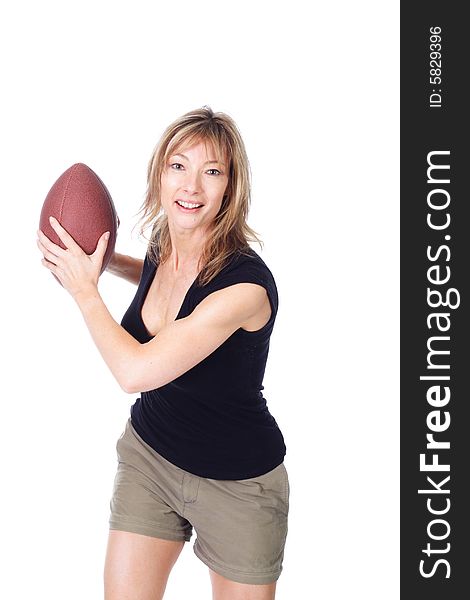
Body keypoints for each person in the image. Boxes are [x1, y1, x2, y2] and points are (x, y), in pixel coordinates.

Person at [37, 106, 289, 600]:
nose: (191, 186)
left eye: (211, 171)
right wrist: (106, 263)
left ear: (230, 189)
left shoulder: (244, 289)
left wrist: (85, 291)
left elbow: (135, 373)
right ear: (159, 174)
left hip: (237, 482)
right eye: (179, 166)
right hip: (150, 454)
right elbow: (159, 276)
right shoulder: (165, 243)